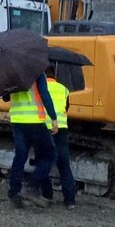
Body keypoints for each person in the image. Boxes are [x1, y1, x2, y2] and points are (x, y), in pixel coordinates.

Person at [6, 72, 58, 209]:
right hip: (34, 121)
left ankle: (14, 194)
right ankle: (32, 188)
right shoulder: (37, 72)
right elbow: (44, 95)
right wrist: (53, 118)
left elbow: (6, 97)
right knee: (49, 155)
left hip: (17, 121)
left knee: (20, 157)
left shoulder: (11, 73)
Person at [41, 71, 76, 210]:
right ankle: (70, 201)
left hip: (45, 128)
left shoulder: (41, 87)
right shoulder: (64, 89)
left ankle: (47, 196)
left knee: (43, 163)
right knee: (64, 165)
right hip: (61, 128)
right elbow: (66, 108)